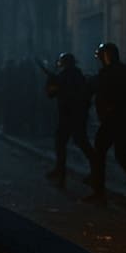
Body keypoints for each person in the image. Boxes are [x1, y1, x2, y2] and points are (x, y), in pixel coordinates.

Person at [82, 43, 126, 203]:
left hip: (112, 120)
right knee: (121, 154)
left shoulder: (107, 75)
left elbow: (93, 90)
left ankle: (99, 192)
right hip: (123, 120)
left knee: (100, 153)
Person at [43, 53, 93, 188]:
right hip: (77, 115)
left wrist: (50, 81)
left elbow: (50, 94)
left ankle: (62, 172)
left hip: (68, 114)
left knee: (64, 144)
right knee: (80, 142)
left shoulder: (62, 77)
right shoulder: (78, 75)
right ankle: (95, 170)